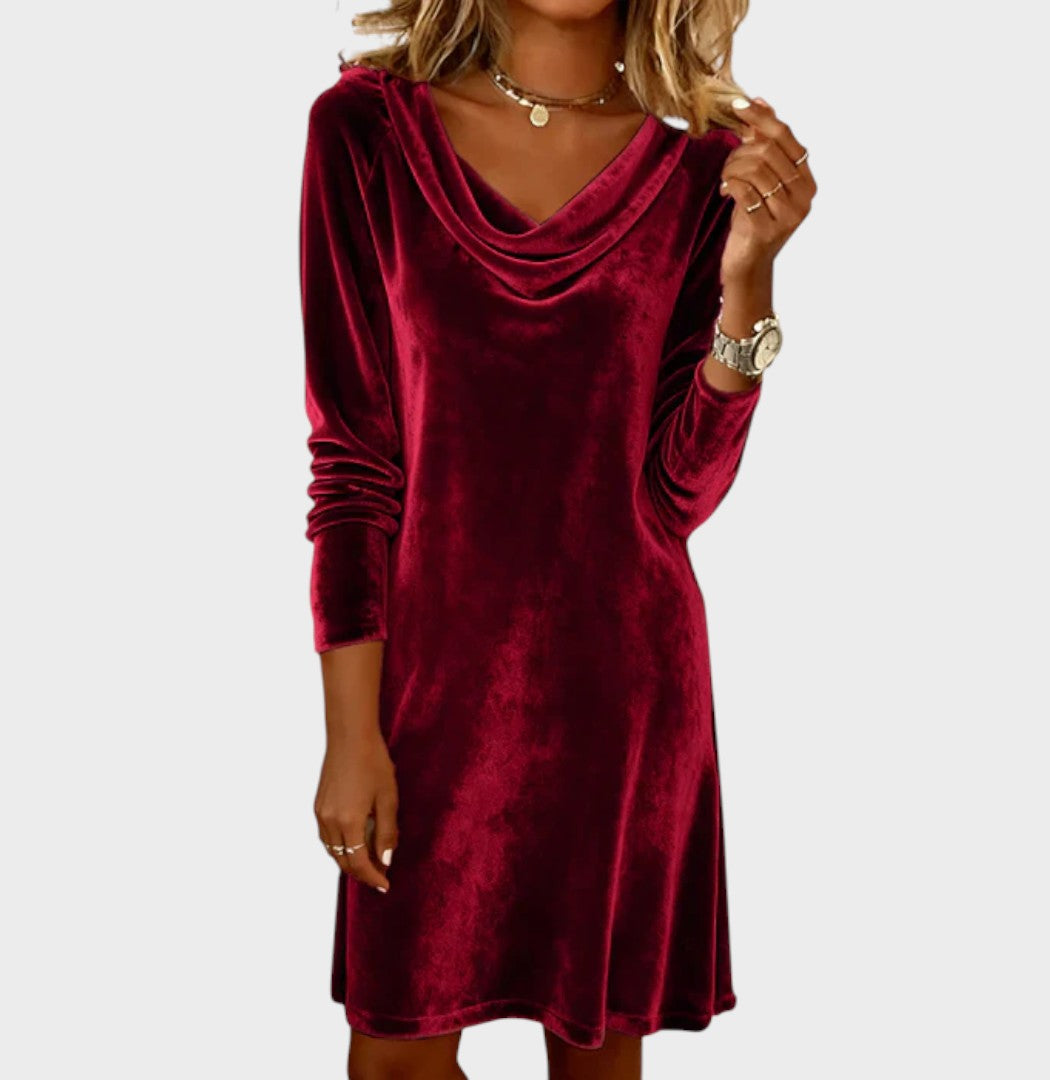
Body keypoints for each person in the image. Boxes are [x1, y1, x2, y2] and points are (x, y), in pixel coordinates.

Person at [298, 1, 815, 1076]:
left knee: (595, 1060)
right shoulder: (365, 133)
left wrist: (750, 279)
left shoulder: (702, 170)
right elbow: (353, 459)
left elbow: (676, 495)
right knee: (392, 1058)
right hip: (427, 696)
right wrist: (351, 733)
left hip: (621, 700)